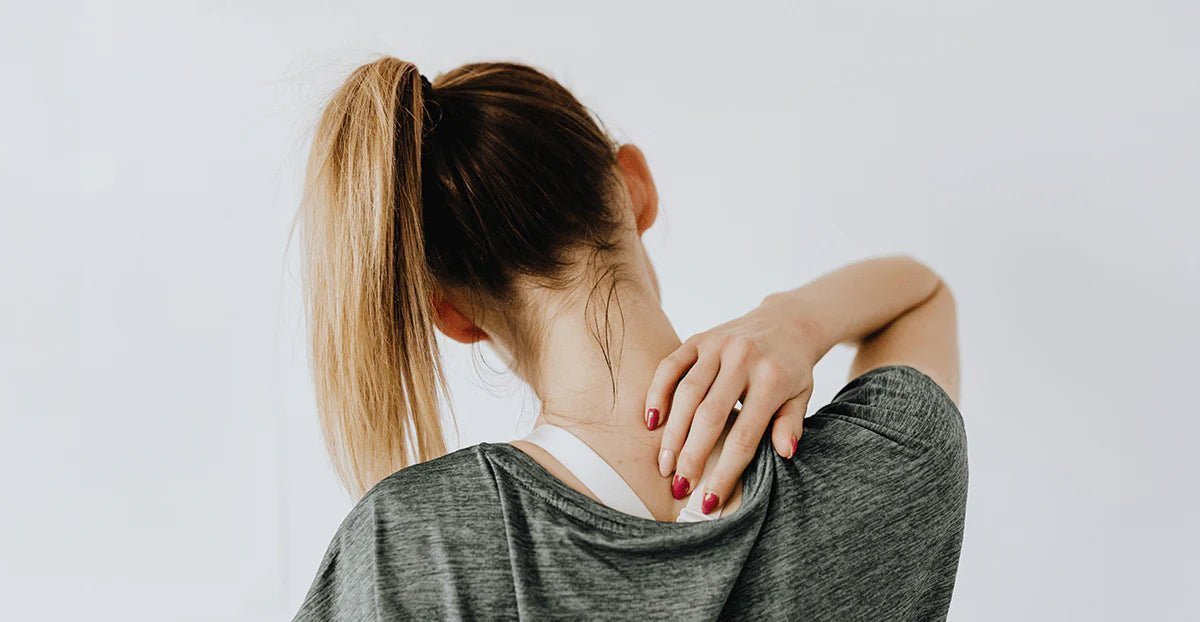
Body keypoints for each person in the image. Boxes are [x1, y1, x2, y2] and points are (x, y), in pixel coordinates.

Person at [291, 56, 966, 621]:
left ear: (452, 315)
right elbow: (922, 292)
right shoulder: (885, 469)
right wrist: (796, 321)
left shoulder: (418, 544)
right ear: (635, 187)